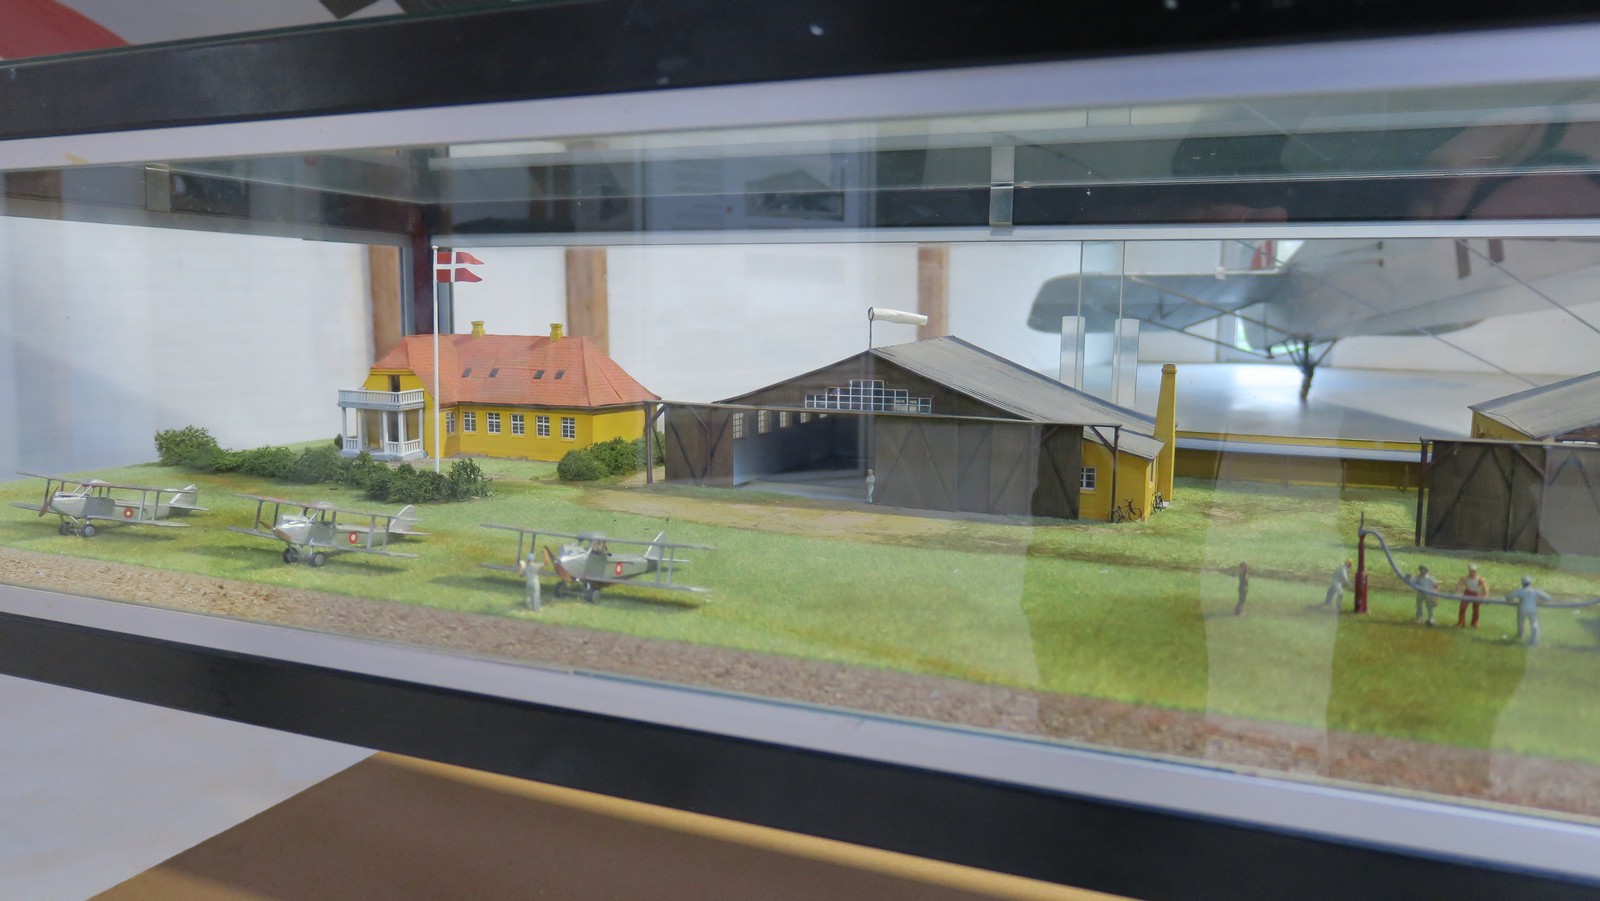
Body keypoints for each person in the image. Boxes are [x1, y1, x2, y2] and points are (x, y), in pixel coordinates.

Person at [1506, 575, 1552, 647]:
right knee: (1534, 623)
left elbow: (1508, 596)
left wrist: (1512, 601)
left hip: (1522, 608)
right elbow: (1548, 598)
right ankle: (1533, 640)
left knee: (1521, 623)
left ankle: (1520, 635)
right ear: (1530, 583)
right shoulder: (1536, 591)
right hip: (1533, 608)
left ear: (1522, 583)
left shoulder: (1519, 591)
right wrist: (1539, 601)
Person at [1455, 563, 1488, 628]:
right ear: (1469, 571)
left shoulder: (1480, 579)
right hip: (1467, 593)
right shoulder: (1464, 578)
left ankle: (1475, 623)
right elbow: (1459, 586)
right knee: (1462, 608)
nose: (1473, 573)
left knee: (1476, 609)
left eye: (1474, 571)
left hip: (1476, 594)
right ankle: (1461, 622)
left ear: (1476, 571)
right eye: (1471, 571)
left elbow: (1485, 588)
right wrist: (1458, 593)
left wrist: (1485, 596)